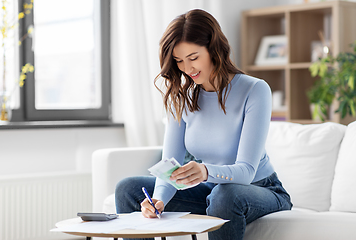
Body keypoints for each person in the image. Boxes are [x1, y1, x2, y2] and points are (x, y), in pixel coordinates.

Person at [115, 9, 292, 240]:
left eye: (193, 57)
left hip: (260, 189)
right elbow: (171, 166)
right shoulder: (184, 98)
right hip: (213, 189)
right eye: (179, 61)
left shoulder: (255, 89)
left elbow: (247, 172)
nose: (187, 69)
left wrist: (205, 171)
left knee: (224, 196)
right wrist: (157, 200)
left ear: (213, 48)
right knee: (127, 189)